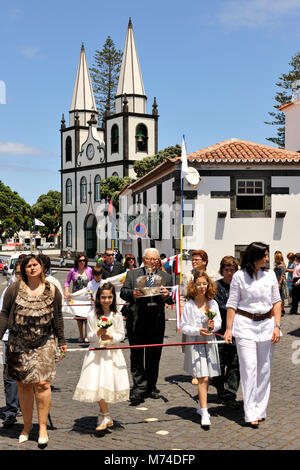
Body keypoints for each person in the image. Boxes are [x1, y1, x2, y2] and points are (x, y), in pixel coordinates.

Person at [0, 254, 67, 447]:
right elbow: (4, 314)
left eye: (35, 264)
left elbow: (58, 317)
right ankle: (27, 427)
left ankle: (43, 428)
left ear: (42, 267)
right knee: (24, 385)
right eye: (28, 265)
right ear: (23, 269)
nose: (32, 268)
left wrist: (61, 340)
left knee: (43, 384)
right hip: (19, 343)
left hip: (44, 342)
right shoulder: (14, 288)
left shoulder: (52, 289)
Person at [224, 242, 282, 428]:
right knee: (249, 369)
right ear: (253, 256)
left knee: (264, 370)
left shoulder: (270, 274)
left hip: (267, 325)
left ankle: (260, 409)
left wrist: (277, 326)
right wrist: (228, 329)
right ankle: (250, 412)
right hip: (245, 325)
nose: (267, 258)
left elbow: (277, 301)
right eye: (264, 255)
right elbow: (232, 303)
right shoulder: (239, 276)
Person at [73, 282, 130, 431]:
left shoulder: (116, 315)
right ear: (98, 298)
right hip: (96, 353)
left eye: (109, 297)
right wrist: (98, 333)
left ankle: (103, 415)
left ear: (113, 298)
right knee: (97, 384)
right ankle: (105, 414)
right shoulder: (92, 315)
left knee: (106, 384)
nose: (106, 300)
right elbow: (89, 336)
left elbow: (121, 334)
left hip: (111, 353)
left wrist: (111, 337)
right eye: (103, 297)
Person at [120, 248, 173, 404]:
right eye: (149, 259)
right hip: (136, 319)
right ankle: (139, 387)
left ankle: (150, 386)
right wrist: (133, 294)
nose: (152, 262)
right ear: (143, 259)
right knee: (136, 355)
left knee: (153, 355)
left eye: (155, 260)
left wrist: (166, 296)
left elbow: (170, 300)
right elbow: (123, 292)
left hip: (156, 321)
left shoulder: (166, 277)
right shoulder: (132, 274)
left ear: (158, 261)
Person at [180, 270, 221, 428]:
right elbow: (183, 326)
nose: (202, 287)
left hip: (209, 341)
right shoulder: (190, 305)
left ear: (208, 285)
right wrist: (198, 330)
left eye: (204, 284)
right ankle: (204, 411)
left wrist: (213, 326)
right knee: (202, 377)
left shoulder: (213, 303)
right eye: (199, 284)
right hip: (195, 343)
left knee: (207, 375)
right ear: (194, 285)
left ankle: (200, 404)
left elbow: (218, 322)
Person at [211, 256, 240, 408]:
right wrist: (234, 309)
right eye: (227, 269)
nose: (229, 273)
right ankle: (220, 389)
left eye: (232, 270)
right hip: (221, 330)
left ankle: (230, 395)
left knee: (235, 364)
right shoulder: (216, 287)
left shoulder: (240, 285)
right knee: (220, 363)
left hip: (238, 330)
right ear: (222, 270)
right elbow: (220, 306)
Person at [0, 260, 21, 428]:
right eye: (18, 273)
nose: (20, 276)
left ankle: (23, 404)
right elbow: (3, 315)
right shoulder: (8, 290)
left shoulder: (37, 291)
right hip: (10, 338)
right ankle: (11, 410)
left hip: (30, 339)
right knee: (9, 375)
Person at [64, 253, 93, 343]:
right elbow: (67, 282)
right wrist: (67, 292)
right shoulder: (72, 271)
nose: (82, 262)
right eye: (80, 261)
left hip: (87, 296)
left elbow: (92, 282)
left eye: (84, 260)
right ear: (77, 261)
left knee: (87, 316)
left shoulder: (89, 270)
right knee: (79, 316)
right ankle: (80, 334)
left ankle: (86, 335)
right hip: (77, 297)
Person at [273, 252, 288, 316]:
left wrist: (279, 283)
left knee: (281, 297)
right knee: (279, 297)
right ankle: (281, 309)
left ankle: (281, 310)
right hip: (276, 282)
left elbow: (282, 275)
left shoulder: (281, 266)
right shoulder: (277, 265)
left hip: (280, 283)